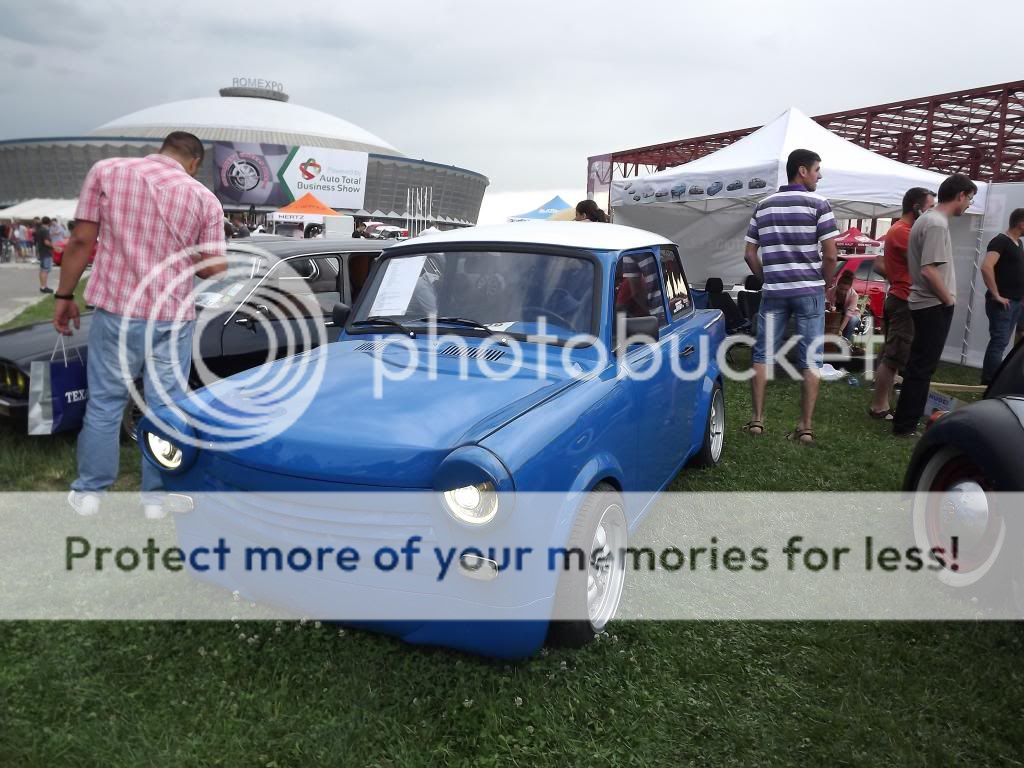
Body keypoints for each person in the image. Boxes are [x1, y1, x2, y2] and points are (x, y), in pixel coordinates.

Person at [53, 131, 227, 519]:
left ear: (163, 150)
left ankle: (91, 493)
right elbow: (215, 269)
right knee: (165, 408)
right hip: (172, 317)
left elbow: (82, 240)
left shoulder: (108, 172)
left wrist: (64, 296)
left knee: (105, 403)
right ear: (194, 162)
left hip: (118, 310)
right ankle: (155, 499)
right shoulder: (203, 199)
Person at [743, 148, 839, 444]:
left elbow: (749, 254)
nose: (819, 175)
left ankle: (757, 421)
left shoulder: (763, 205)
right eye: (817, 170)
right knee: (811, 359)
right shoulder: (819, 204)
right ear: (802, 170)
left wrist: (766, 278)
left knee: (761, 355)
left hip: (774, 291)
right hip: (809, 290)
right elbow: (831, 256)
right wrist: (824, 285)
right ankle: (805, 427)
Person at [892, 174, 977, 437]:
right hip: (932, 304)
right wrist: (948, 299)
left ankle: (904, 421)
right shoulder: (937, 223)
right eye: (970, 199)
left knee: (918, 365)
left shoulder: (926, 219)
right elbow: (929, 270)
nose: (969, 205)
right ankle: (905, 425)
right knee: (922, 367)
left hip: (923, 302)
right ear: (960, 195)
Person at [868, 187, 936, 419]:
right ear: (917, 207)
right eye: (930, 207)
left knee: (893, 353)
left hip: (902, 298)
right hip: (903, 300)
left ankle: (882, 400)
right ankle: (879, 406)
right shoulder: (903, 231)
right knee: (894, 356)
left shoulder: (903, 230)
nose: (932, 213)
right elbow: (926, 260)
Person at [979, 208, 1024, 384]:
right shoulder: (1000, 241)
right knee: (999, 342)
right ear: (1021, 223)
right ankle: (990, 382)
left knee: (1009, 340)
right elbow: (986, 266)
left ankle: (1011, 377)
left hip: (1017, 302)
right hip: (1003, 304)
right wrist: (996, 294)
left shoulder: (1018, 244)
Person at [826, 271, 861, 339]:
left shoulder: (854, 295)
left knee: (852, 320)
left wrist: (840, 330)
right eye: (841, 289)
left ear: (850, 288)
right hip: (836, 313)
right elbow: (826, 306)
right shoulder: (830, 291)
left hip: (852, 314)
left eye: (846, 290)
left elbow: (849, 314)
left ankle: (845, 341)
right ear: (837, 285)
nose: (843, 292)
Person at [34, 216, 54, 293]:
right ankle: (44, 286)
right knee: (45, 270)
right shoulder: (45, 230)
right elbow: (46, 242)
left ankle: (42, 286)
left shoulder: (39, 230)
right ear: (49, 222)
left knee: (42, 270)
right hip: (46, 252)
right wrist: (54, 247)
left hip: (41, 252)